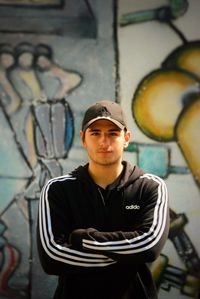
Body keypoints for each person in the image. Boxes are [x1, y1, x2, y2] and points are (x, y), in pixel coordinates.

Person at [37, 100, 169, 299]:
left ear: (126, 138)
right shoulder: (58, 189)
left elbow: (148, 246)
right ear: (83, 138)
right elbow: (52, 258)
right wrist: (126, 253)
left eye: (112, 133)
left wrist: (83, 239)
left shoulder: (150, 187)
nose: (104, 142)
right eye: (95, 133)